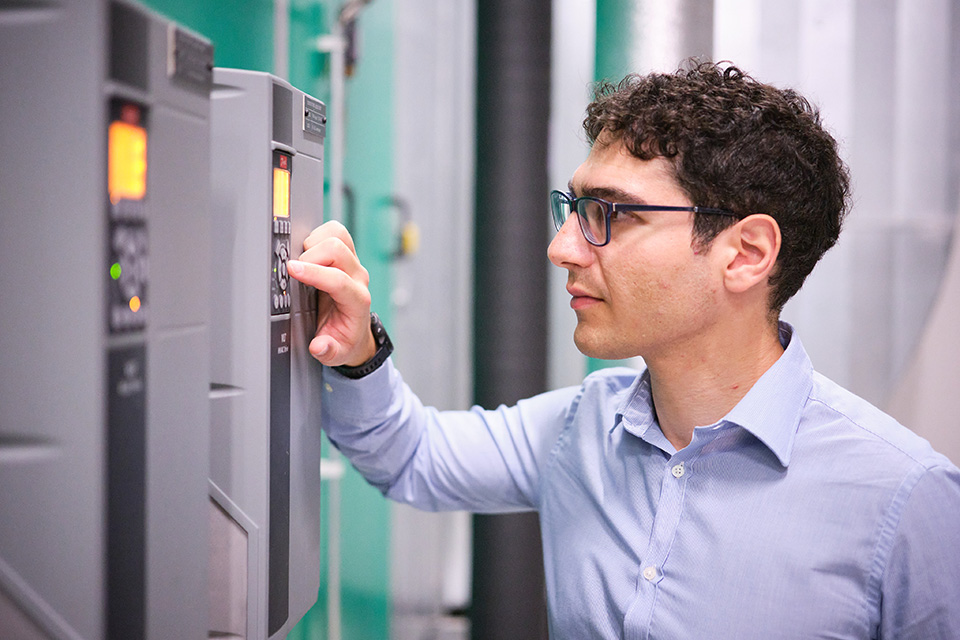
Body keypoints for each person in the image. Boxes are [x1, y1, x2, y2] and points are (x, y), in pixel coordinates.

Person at [287, 61, 960, 639]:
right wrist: (357, 351)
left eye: (610, 215)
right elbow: (413, 457)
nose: (561, 249)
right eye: (574, 209)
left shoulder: (903, 502)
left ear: (746, 254)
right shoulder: (582, 426)